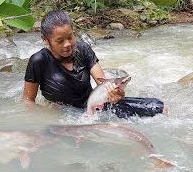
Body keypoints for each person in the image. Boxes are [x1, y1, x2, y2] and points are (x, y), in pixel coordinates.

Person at [23, 10, 167, 118]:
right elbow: (27, 101)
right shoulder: (38, 61)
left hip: (92, 105)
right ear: (45, 40)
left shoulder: (83, 49)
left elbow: (102, 84)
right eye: (60, 41)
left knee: (159, 108)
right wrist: (46, 119)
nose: (67, 44)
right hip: (63, 114)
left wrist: (116, 94)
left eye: (70, 37)